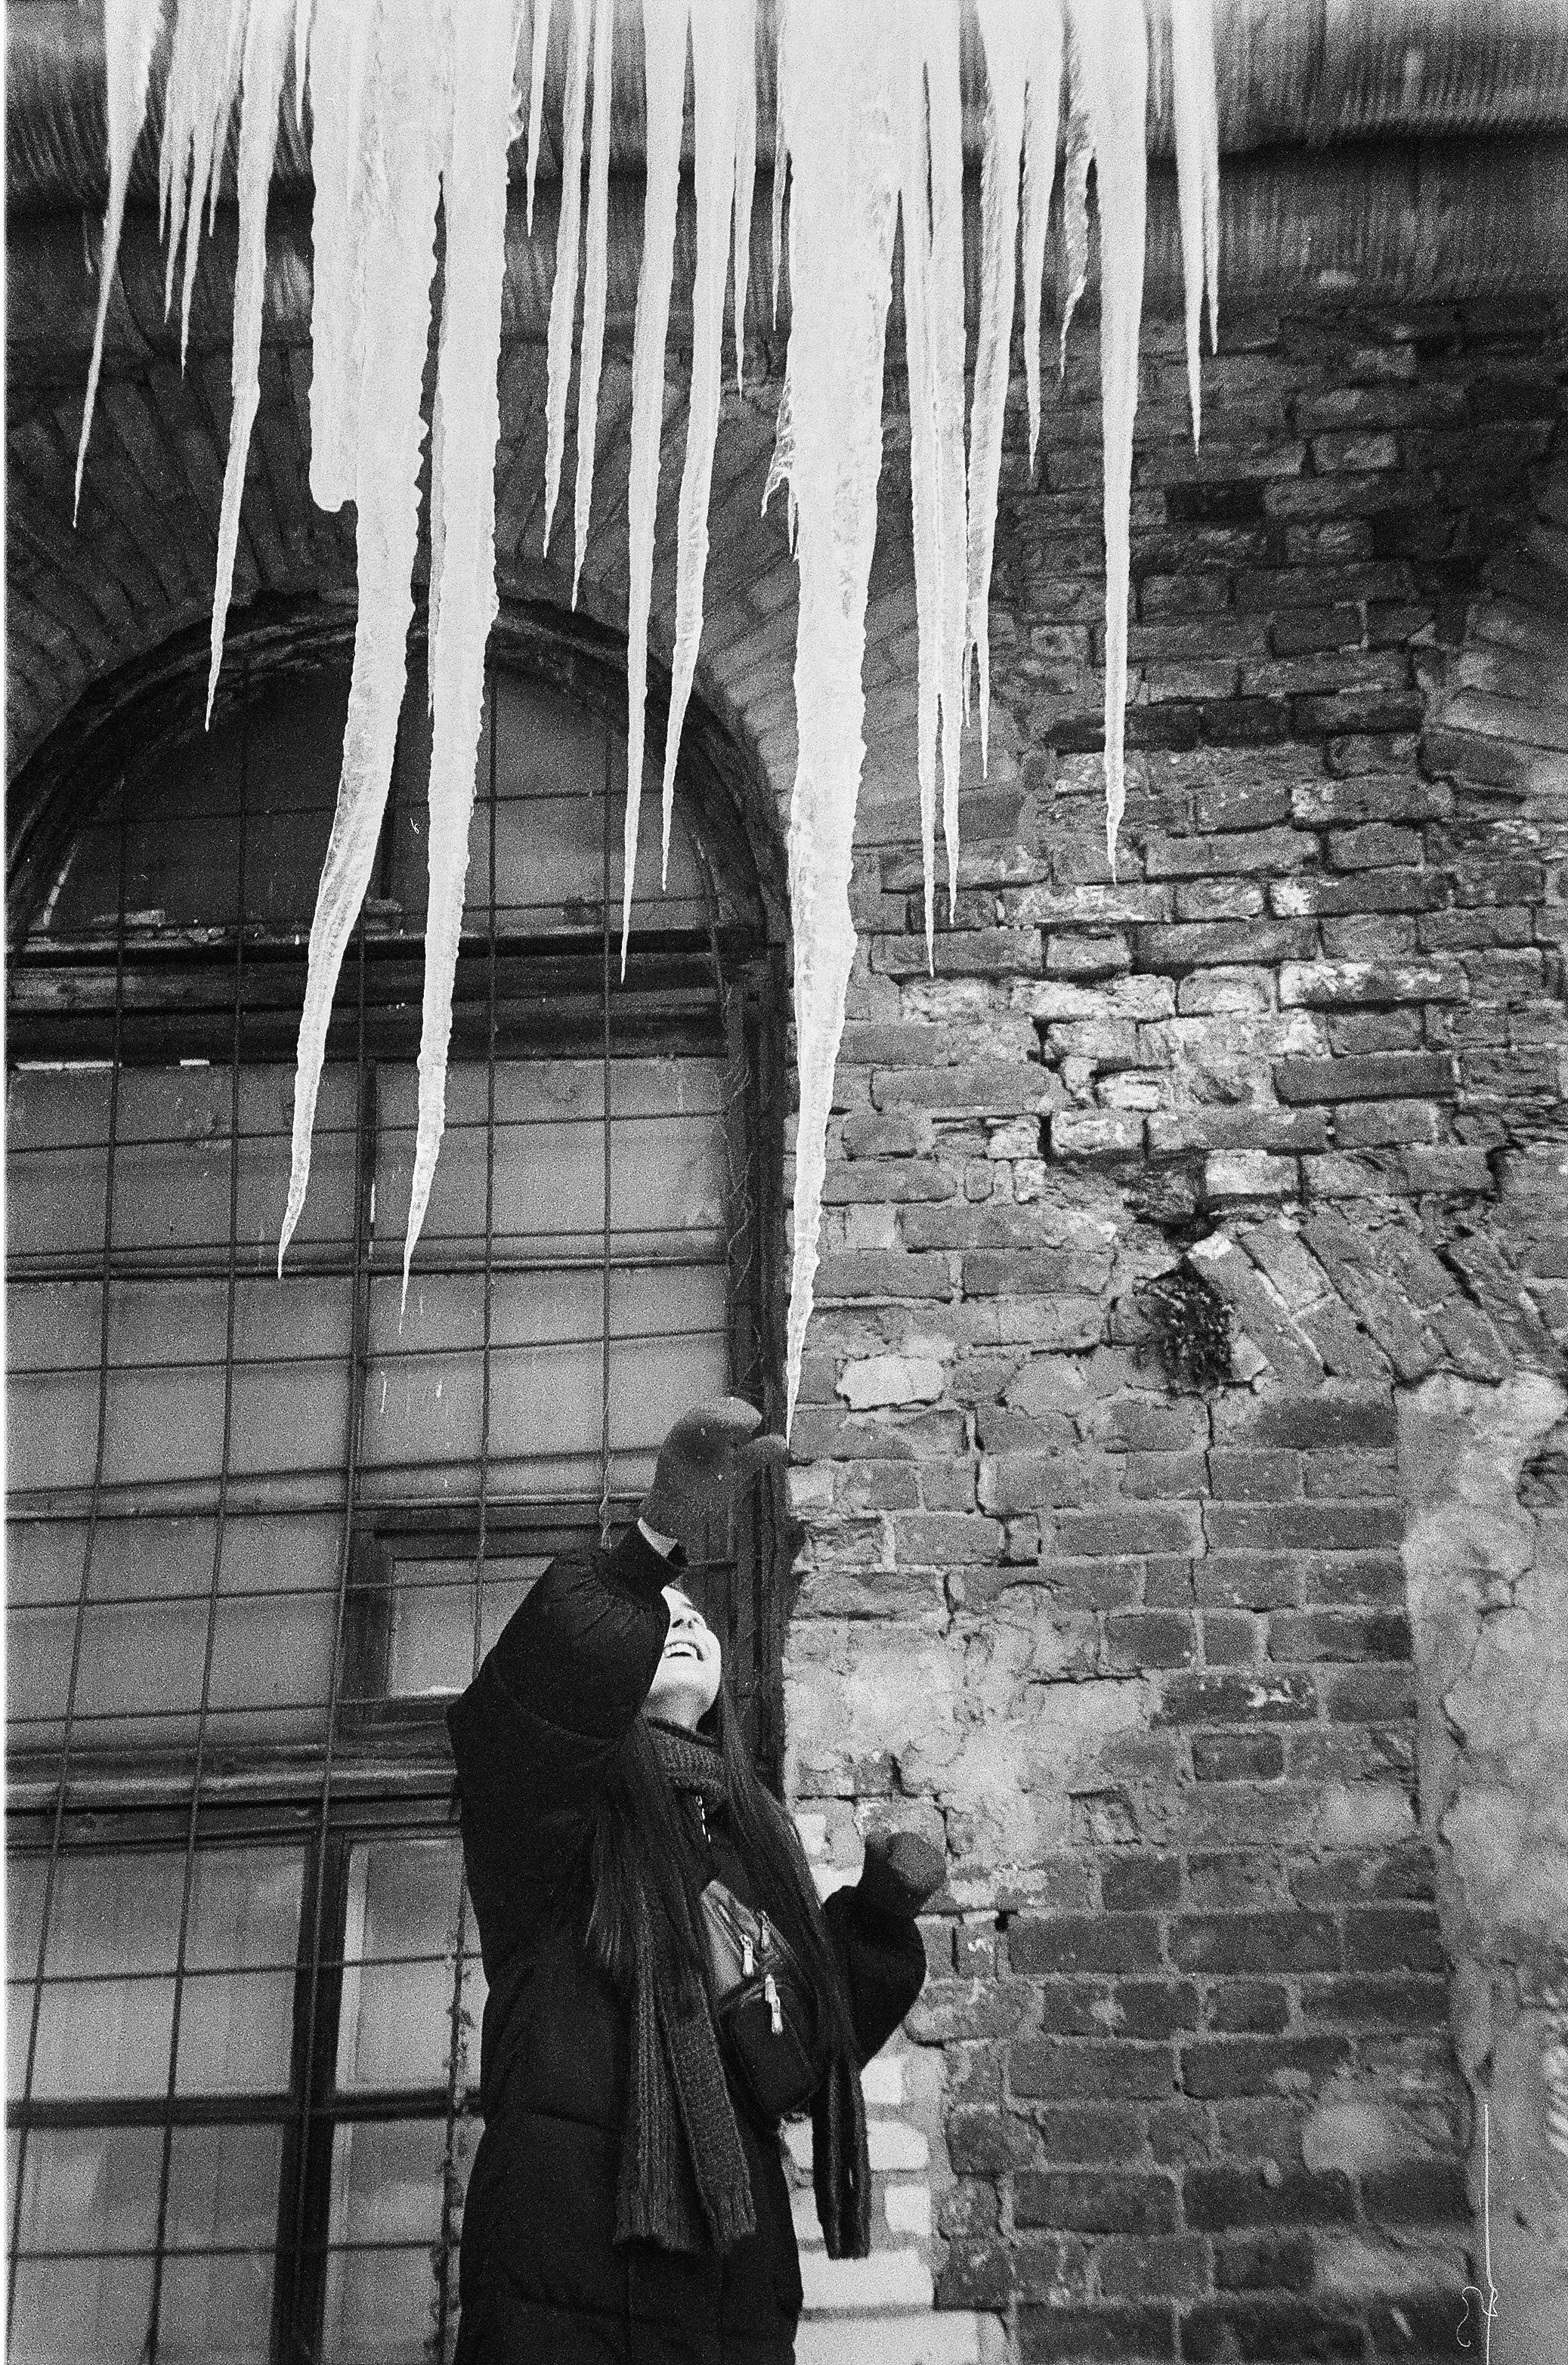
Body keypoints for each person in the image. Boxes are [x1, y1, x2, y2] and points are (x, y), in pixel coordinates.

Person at [447, 1399, 945, 2363]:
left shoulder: (750, 1841)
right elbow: (537, 1697)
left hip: (733, 2279)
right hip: (570, 2262)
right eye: (657, 1617)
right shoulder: (551, 1820)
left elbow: (788, 2053)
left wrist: (876, 1925)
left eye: (692, 1617)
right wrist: (649, 1549)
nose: (678, 1622)